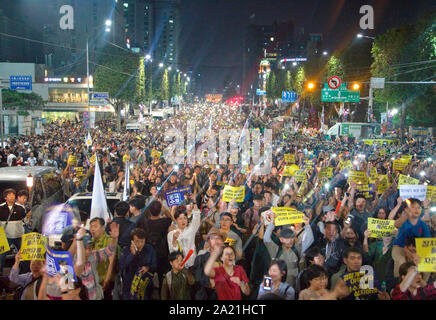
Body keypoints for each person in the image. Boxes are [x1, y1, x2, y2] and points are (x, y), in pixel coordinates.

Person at [263, 211, 314, 287]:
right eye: (287, 238)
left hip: (292, 286)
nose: (290, 240)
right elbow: (266, 238)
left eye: (292, 238)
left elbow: (310, 239)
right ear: (281, 239)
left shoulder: (297, 249)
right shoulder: (275, 250)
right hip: (276, 286)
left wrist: (307, 225)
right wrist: (272, 223)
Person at [74, 222, 119, 300]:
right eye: (85, 248)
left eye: (90, 248)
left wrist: (114, 238)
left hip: (95, 296)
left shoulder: (93, 256)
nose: (88, 251)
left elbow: (109, 251)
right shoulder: (73, 262)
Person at [392, 198, 431, 278]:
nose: (416, 209)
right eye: (413, 207)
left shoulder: (423, 225)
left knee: (427, 265)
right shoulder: (404, 221)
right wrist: (407, 215)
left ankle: (423, 286)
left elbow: (427, 242)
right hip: (400, 247)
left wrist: (417, 254)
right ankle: (397, 285)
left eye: (419, 207)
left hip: (417, 250)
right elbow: (396, 224)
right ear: (407, 209)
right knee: (401, 261)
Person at [119, 228, 157, 300]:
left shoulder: (149, 249)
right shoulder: (126, 250)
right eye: (137, 241)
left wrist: (148, 268)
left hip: (144, 287)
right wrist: (132, 255)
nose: (140, 244)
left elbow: (155, 265)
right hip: (129, 285)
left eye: (142, 241)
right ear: (132, 241)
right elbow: (122, 266)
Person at [192, 227, 226, 300]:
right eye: (212, 238)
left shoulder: (227, 256)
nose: (216, 240)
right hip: (204, 294)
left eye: (218, 238)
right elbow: (198, 279)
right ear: (209, 241)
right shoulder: (201, 257)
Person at [89, 217, 118, 300]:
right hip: (94, 281)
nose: (92, 229)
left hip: (105, 281)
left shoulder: (109, 240)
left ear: (102, 227)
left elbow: (112, 262)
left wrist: (107, 280)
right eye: (91, 226)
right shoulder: (90, 241)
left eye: (95, 226)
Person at [0, 189, 26, 274]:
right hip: (6, 236)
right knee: (1, 256)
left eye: (13, 195)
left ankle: (24, 271)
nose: (12, 196)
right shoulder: (1, 208)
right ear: (5, 197)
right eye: (9, 195)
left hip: (19, 235)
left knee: (23, 255)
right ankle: (0, 272)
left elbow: (25, 221)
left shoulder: (21, 208)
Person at [167, 203, 201, 268]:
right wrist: (174, 240)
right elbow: (172, 252)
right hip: (179, 265)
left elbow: (196, 217)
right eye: (180, 219)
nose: (183, 221)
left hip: (192, 262)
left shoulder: (191, 229)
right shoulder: (171, 234)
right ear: (176, 220)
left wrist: (195, 204)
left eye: (185, 218)